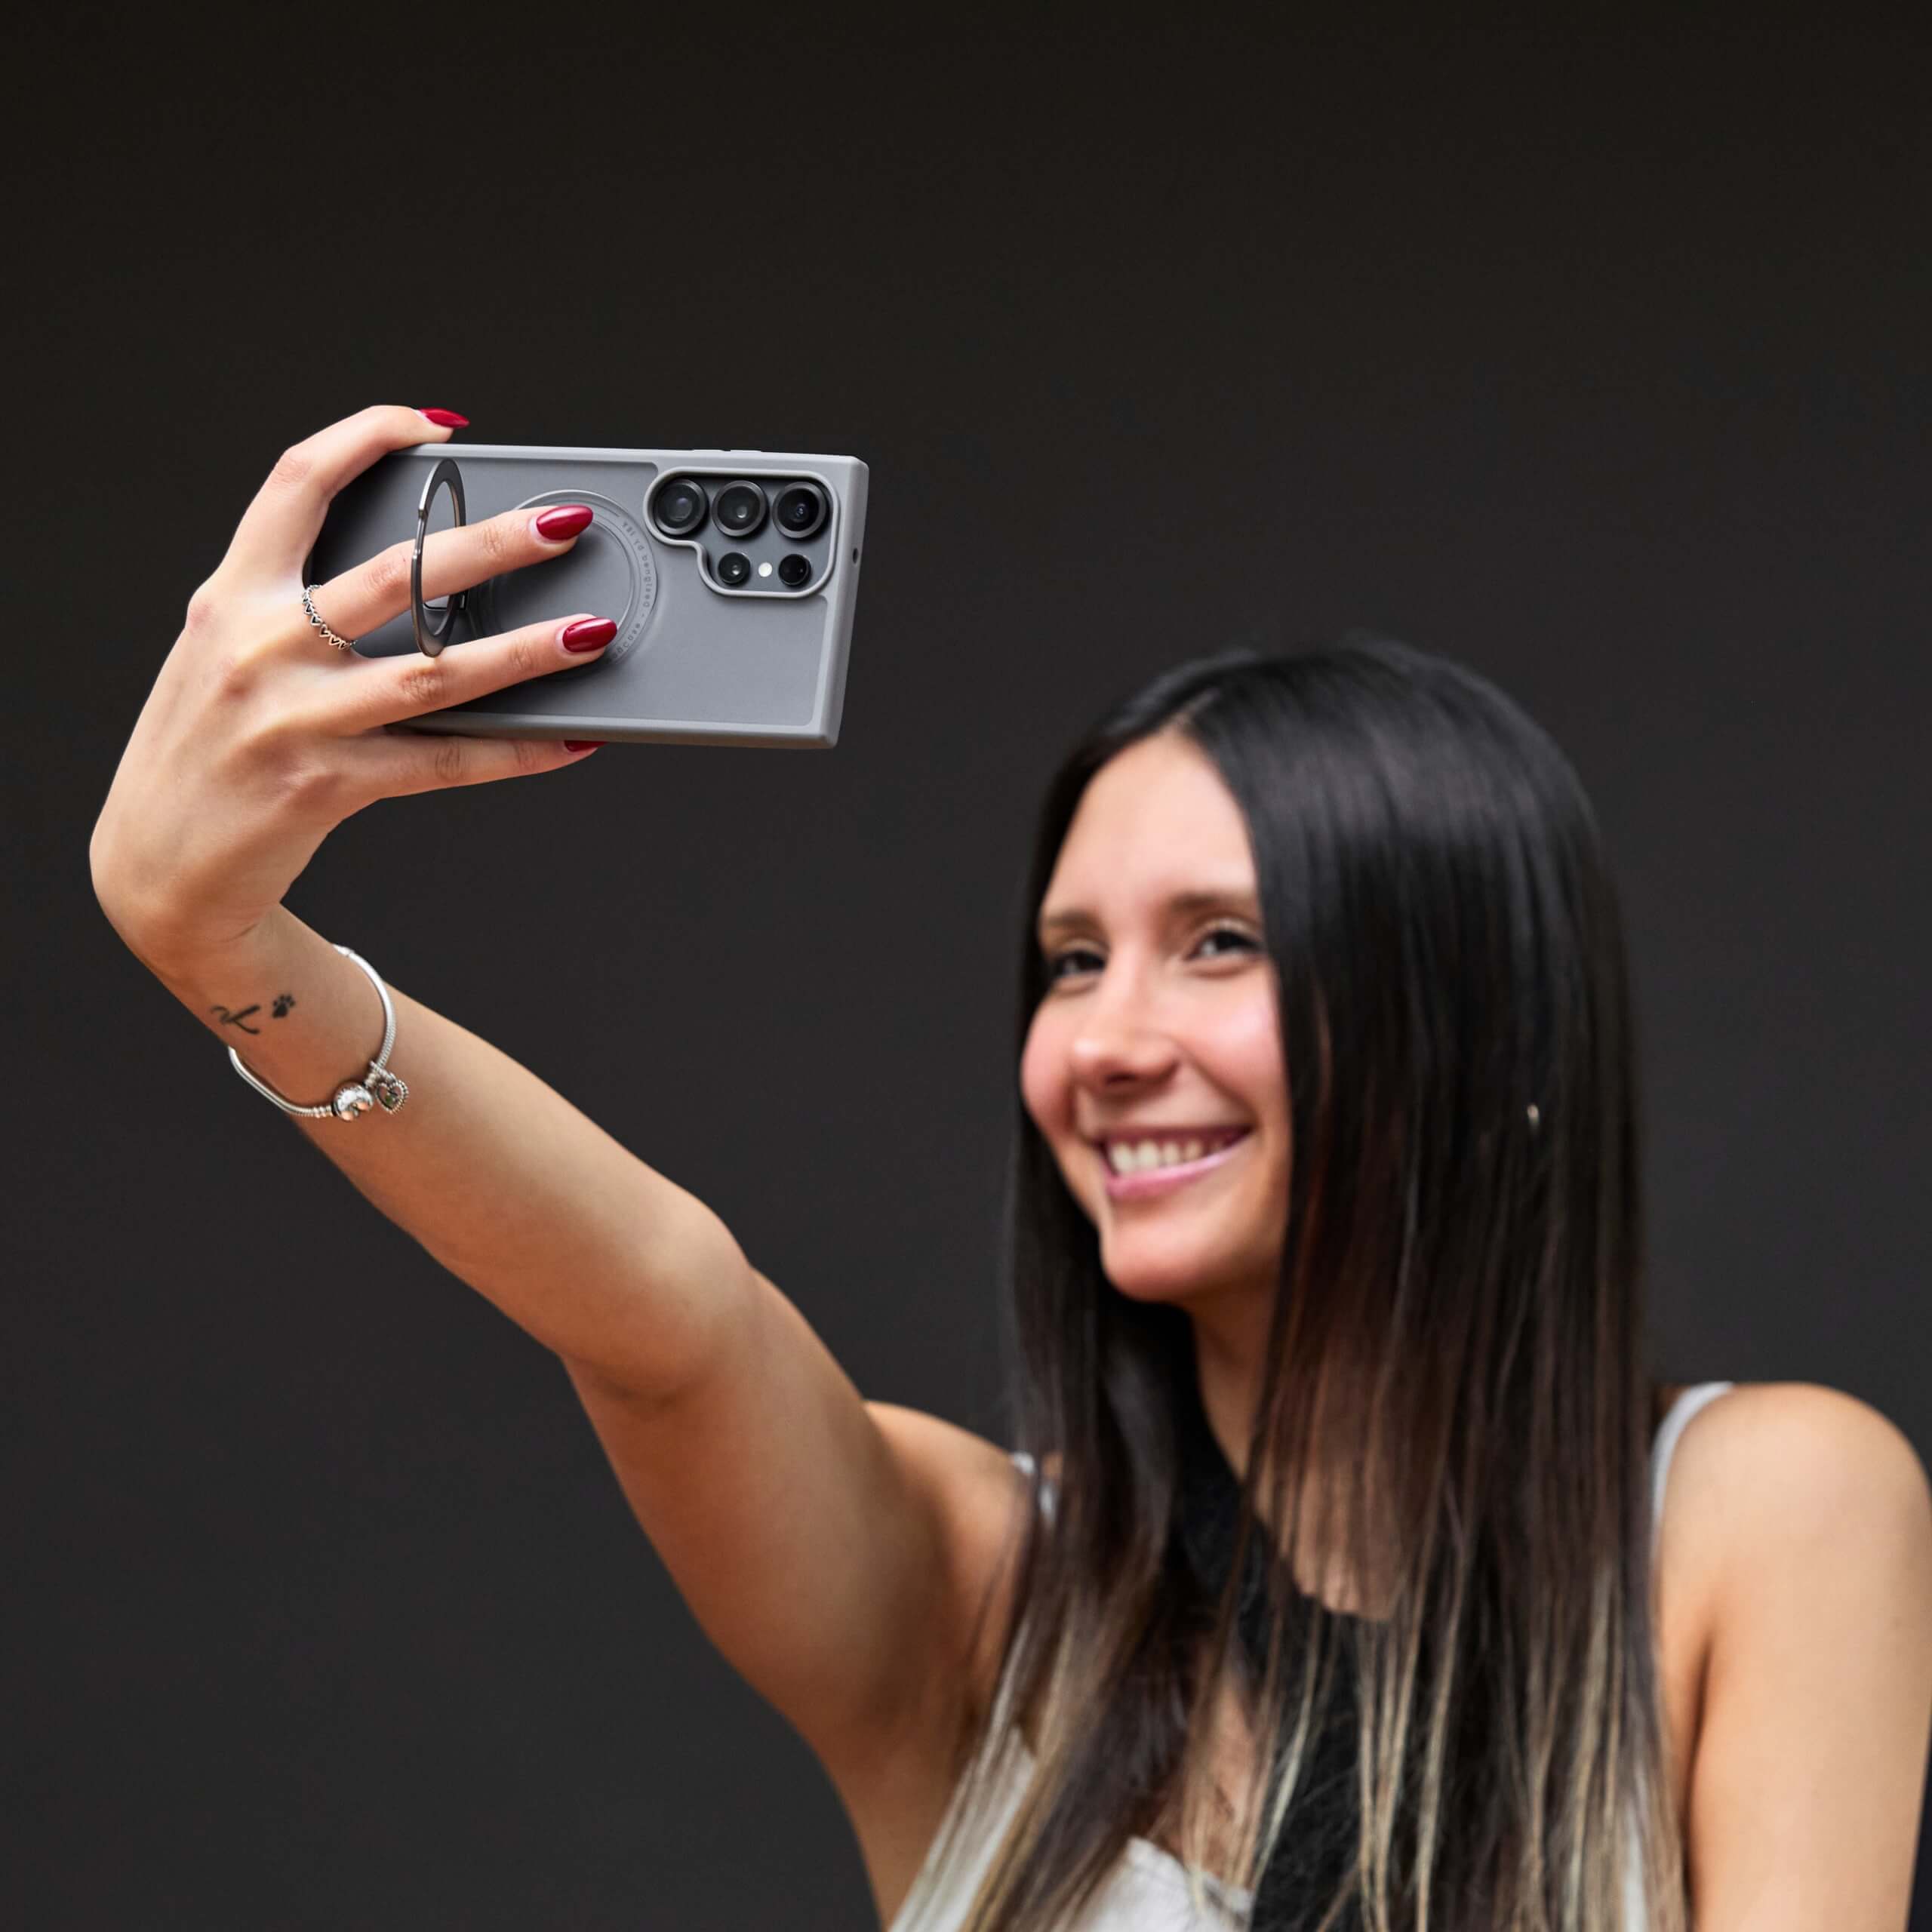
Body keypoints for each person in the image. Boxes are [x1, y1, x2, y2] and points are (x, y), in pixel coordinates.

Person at [90, 404, 1932, 1932]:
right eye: (1070, 958)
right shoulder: (978, 1587)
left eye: (1220, 941)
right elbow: (665, 1308)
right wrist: (227, 941)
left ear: (1474, 1012)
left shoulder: (1756, 1512)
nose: (1107, 1038)